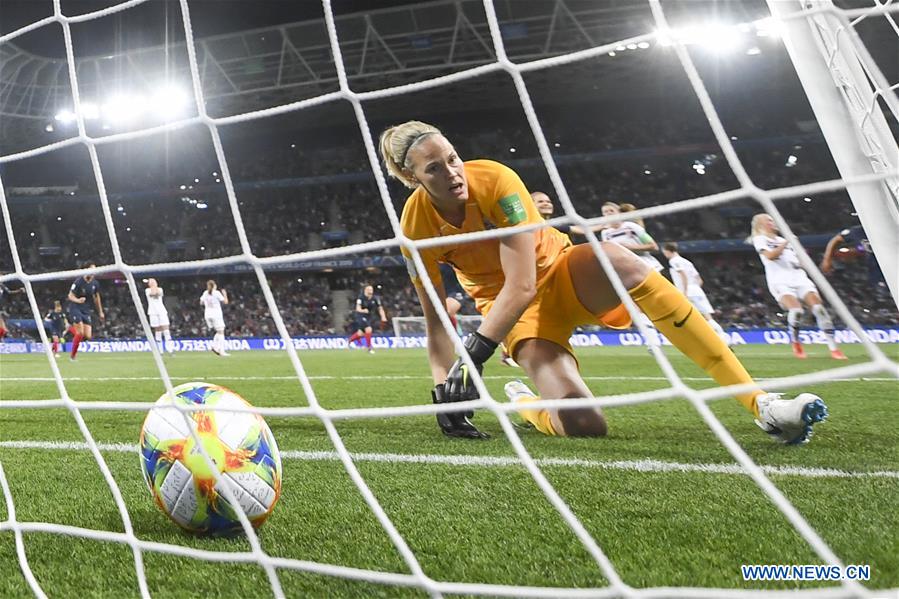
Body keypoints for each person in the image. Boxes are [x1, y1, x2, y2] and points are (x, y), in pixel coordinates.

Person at [381, 120, 827, 444]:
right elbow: (436, 320)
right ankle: (524, 401)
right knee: (584, 424)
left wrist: (475, 355)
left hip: (560, 272)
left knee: (621, 260)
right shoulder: (415, 230)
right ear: (410, 178)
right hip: (516, 317)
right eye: (434, 169)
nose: (452, 173)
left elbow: (523, 282)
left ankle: (761, 404)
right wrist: (444, 390)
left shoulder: (496, 179)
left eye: (452, 158)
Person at [750, 213, 847, 360]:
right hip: (779, 280)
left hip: (799, 278)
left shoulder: (784, 240)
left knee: (819, 309)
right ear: (761, 225)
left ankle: (834, 349)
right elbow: (770, 256)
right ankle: (796, 342)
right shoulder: (760, 239)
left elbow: (799, 261)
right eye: (769, 220)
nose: (773, 222)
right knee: (797, 311)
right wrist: (786, 243)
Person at [600, 201, 664, 347]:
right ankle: (652, 341)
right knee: (634, 306)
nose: (608, 214)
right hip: (628, 273)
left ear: (618, 213)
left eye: (611, 211)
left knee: (657, 303)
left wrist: (631, 248)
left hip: (648, 267)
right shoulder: (606, 233)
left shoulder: (631, 227)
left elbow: (653, 246)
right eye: (605, 212)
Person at [661, 242, 730, 346]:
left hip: (687, 291)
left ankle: (685, 339)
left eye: (664, 252)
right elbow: (699, 279)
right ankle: (722, 337)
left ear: (667, 251)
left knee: (683, 316)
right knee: (707, 317)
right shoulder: (687, 262)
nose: (664, 254)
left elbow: (682, 274)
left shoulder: (674, 261)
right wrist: (695, 289)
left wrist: (684, 292)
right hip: (697, 290)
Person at [66, 263, 104, 361]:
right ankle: (72, 357)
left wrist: (100, 312)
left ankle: (70, 328)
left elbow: (97, 298)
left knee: (87, 336)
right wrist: (78, 300)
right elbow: (70, 296)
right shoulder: (78, 281)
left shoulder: (95, 284)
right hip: (75, 308)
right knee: (80, 333)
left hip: (86, 310)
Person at [347, 284, 387, 354]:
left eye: (371, 289)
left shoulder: (375, 298)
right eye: (369, 289)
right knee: (368, 329)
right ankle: (369, 348)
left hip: (368, 316)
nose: (370, 291)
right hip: (360, 315)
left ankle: (349, 341)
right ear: (365, 290)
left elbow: (380, 308)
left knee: (360, 333)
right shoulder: (361, 298)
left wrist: (383, 317)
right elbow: (357, 309)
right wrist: (363, 310)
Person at [145, 278, 175, 355]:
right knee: (157, 331)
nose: (152, 283)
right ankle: (160, 351)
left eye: (153, 281)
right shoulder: (147, 290)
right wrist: (152, 286)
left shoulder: (160, 289)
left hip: (162, 311)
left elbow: (157, 293)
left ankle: (170, 350)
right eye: (151, 282)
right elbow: (152, 294)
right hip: (152, 312)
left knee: (166, 330)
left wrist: (154, 286)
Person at [200, 279, 229, 356]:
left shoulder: (205, 293)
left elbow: (201, 302)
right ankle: (221, 351)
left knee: (218, 332)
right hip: (216, 314)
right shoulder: (216, 293)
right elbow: (225, 302)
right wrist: (225, 294)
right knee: (221, 332)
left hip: (207, 315)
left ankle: (214, 346)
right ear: (214, 285)